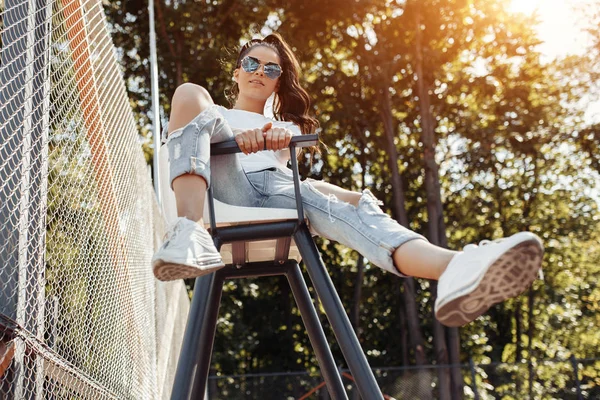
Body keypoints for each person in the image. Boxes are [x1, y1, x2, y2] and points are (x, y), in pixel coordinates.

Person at [151, 33, 544, 327]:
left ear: (276, 82)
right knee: (188, 92)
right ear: (237, 72)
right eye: (252, 64)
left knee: (349, 206)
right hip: (221, 190)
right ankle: (188, 233)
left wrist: (282, 140)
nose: (260, 73)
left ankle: (454, 268)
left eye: (271, 70)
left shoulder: (282, 126)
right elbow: (187, 130)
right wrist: (238, 141)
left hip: (273, 189)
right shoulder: (214, 111)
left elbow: (285, 171)